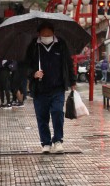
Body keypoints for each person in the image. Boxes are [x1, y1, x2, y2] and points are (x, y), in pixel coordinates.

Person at [24, 21, 76, 154]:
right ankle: (45, 142)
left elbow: (68, 64)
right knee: (42, 117)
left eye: (48, 34)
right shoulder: (34, 46)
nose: (46, 36)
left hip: (57, 88)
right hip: (39, 89)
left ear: (53, 33)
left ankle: (58, 140)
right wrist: (33, 73)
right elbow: (25, 66)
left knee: (58, 113)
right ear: (39, 34)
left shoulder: (61, 45)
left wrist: (72, 82)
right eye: (44, 34)